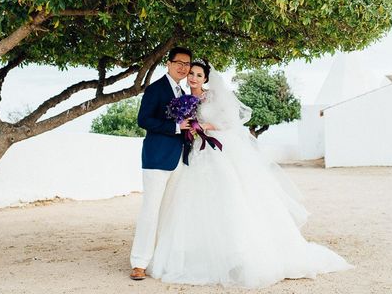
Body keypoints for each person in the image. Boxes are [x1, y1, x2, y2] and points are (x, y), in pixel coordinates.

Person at [147, 59, 353, 288]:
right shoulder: (184, 99)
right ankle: (199, 252)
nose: (193, 78)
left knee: (227, 196)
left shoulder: (213, 97)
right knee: (192, 201)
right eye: (191, 74)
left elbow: (230, 122)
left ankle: (237, 255)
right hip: (195, 152)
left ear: (206, 78)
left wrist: (203, 127)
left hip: (216, 150)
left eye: (198, 74)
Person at [129, 46, 193, 281]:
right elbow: (143, 120)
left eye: (187, 64)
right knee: (150, 211)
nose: (183, 67)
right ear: (168, 63)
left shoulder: (184, 92)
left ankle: (161, 259)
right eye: (179, 62)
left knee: (170, 211)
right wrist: (176, 127)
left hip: (179, 159)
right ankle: (138, 263)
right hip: (156, 159)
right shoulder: (156, 89)